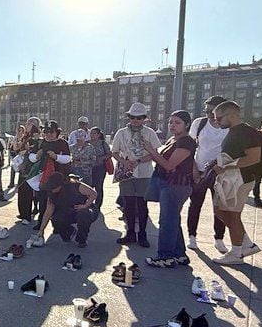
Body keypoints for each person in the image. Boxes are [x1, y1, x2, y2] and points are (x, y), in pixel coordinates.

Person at [142, 111, 197, 267]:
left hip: (176, 185)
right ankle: (179, 254)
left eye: (177, 122)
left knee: (167, 221)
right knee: (173, 220)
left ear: (186, 124)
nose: (172, 125)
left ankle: (165, 257)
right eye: (170, 122)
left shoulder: (186, 142)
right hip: (170, 184)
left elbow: (168, 165)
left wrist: (152, 150)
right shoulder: (174, 139)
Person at [211, 101, 262, 265]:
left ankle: (236, 252)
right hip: (231, 178)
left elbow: (254, 157)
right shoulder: (235, 131)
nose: (216, 122)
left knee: (233, 215)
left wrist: (226, 166)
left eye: (219, 118)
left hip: (240, 179)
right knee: (220, 211)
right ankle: (246, 244)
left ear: (232, 115)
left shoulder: (246, 132)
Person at [111, 103, 161, 248]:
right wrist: (124, 162)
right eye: (132, 117)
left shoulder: (150, 133)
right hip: (127, 173)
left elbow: (154, 154)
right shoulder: (121, 133)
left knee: (142, 204)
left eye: (139, 118)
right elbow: (114, 152)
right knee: (128, 204)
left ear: (144, 118)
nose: (135, 120)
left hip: (144, 172)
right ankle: (131, 233)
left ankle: (143, 234)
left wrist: (139, 160)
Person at [186, 95, 229, 253]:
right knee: (195, 204)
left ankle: (219, 238)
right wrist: (194, 169)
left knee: (219, 207)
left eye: (213, 111)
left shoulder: (229, 127)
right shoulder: (199, 123)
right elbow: (190, 147)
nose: (209, 115)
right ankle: (192, 236)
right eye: (207, 111)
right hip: (199, 170)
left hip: (220, 172)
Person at [34, 172, 99, 248]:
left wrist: (86, 205)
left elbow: (93, 193)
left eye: (53, 187)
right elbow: (48, 213)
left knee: (84, 215)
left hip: (85, 209)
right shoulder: (51, 194)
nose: (52, 189)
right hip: (69, 211)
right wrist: (41, 230)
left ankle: (82, 239)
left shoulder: (76, 186)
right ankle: (69, 233)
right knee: (56, 219)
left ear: (60, 185)